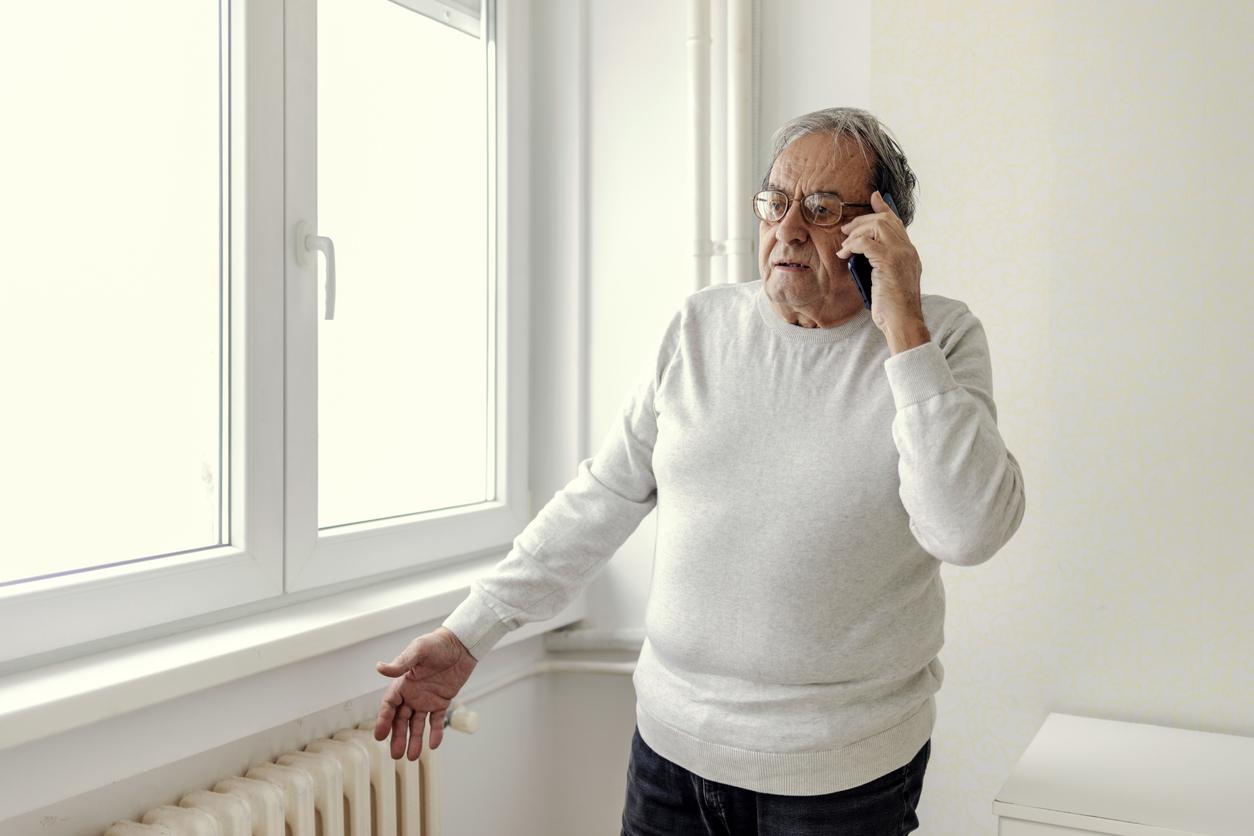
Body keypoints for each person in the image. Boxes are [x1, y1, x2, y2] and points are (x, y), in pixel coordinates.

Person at [372, 107, 1026, 835]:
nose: (787, 230)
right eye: (775, 203)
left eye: (819, 209)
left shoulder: (938, 339)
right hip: (669, 759)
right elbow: (604, 494)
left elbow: (966, 529)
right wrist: (468, 635)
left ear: (880, 233)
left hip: (839, 781)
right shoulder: (699, 328)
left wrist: (903, 325)